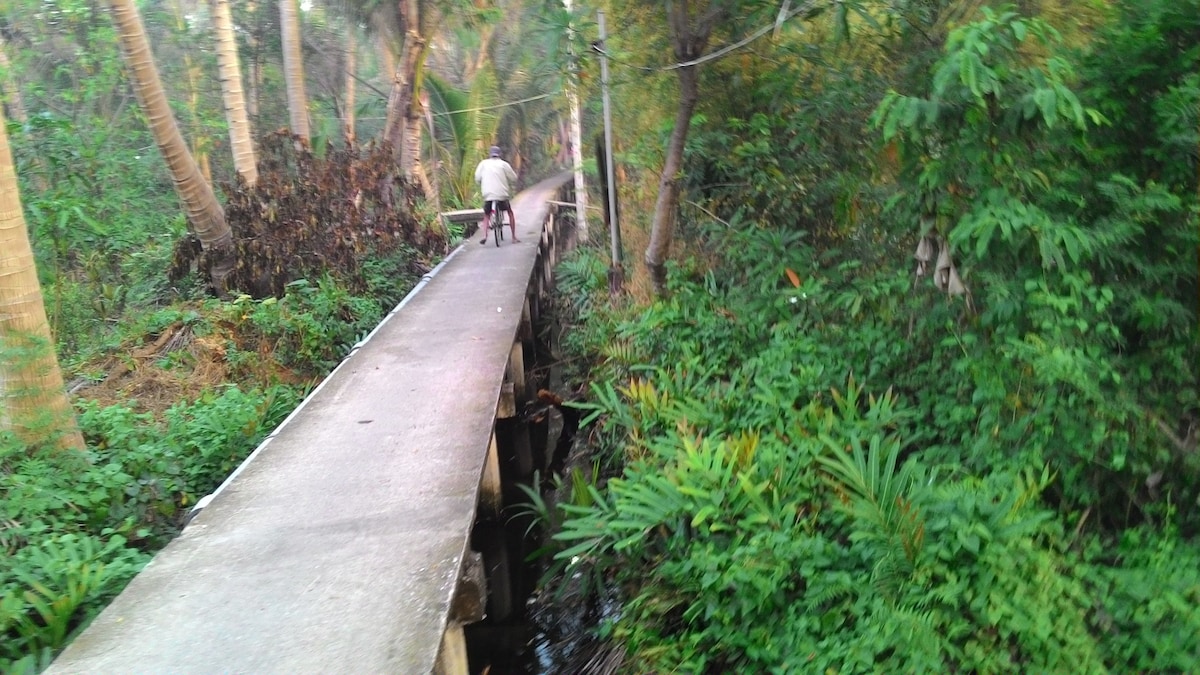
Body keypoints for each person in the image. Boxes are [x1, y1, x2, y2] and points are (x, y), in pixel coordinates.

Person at [474, 145, 520, 244]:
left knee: (487, 215)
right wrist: (511, 181)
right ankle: (513, 237)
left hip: (488, 195)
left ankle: (485, 236)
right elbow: (513, 178)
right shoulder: (503, 164)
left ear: (490, 154)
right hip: (501, 194)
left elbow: (477, 177)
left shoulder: (483, 164)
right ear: (499, 154)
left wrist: (480, 182)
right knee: (510, 212)